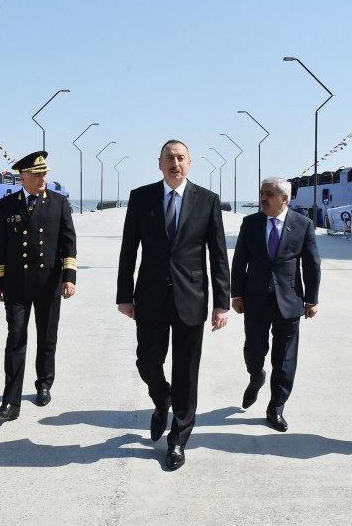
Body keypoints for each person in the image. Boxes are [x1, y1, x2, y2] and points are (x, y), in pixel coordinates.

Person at [117, 139, 230, 471]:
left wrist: (221, 303)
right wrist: (124, 295)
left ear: (189, 163)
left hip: (191, 298)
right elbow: (128, 249)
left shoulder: (207, 200)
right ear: (160, 163)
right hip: (149, 296)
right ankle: (161, 398)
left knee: (186, 371)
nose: (175, 163)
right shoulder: (141, 198)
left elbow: (218, 255)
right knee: (147, 362)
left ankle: (178, 439)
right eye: (169, 158)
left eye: (181, 158)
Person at [0, 151, 77, 422]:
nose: (43, 179)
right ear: (23, 177)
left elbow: (68, 242)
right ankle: (10, 402)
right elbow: (0, 245)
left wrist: (69, 277)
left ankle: (44, 384)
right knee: (15, 339)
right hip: (16, 284)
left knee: (47, 339)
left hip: (48, 283)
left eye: (45, 174)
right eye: (37, 174)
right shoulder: (7, 205)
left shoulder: (59, 203)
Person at [231, 177, 321, 432]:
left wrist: (312, 299)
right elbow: (240, 260)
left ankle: (276, 407)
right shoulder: (250, 223)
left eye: (269, 194)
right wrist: (236, 295)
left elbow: (312, 264)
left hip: (289, 302)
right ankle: (256, 376)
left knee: (285, 360)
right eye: (262, 193)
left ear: (284, 198)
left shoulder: (302, 224)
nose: (263, 198)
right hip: (255, 300)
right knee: (254, 351)